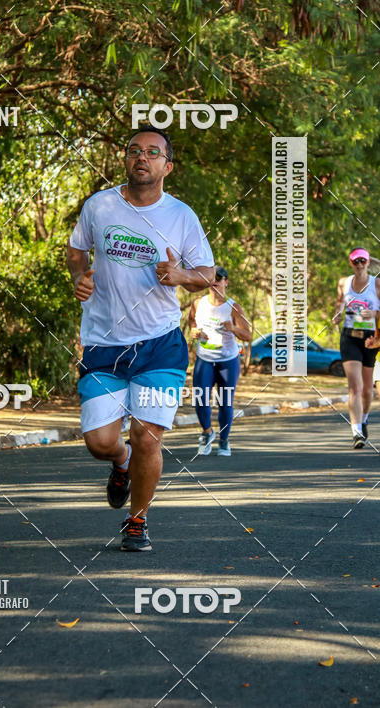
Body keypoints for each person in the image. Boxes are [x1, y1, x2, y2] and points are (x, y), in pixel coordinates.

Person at [66, 126, 215, 551]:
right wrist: (78, 277)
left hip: (158, 345)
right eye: (134, 150)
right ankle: (120, 461)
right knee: (100, 443)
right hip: (104, 343)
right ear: (126, 160)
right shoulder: (99, 206)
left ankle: (137, 521)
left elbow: (206, 273)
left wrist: (182, 275)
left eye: (152, 152)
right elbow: (76, 251)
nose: (142, 157)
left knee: (147, 437)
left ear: (168, 166)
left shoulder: (181, 216)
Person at [187, 267, 251, 457]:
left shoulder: (233, 307)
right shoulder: (197, 303)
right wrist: (194, 332)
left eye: (220, 278)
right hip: (205, 359)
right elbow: (192, 324)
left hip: (227, 361)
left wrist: (233, 329)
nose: (215, 281)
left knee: (225, 402)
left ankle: (224, 441)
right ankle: (207, 433)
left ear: (226, 282)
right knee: (200, 400)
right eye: (213, 278)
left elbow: (247, 335)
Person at [333, 247, 380, 447]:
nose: (359, 264)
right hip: (349, 337)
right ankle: (357, 432)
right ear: (351, 263)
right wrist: (337, 316)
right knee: (355, 387)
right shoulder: (343, 283)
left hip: (371, 339)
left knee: (367, 390)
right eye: (355, 261)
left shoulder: (377, 284)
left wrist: (374, 314)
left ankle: (364, 419)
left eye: (363, 261)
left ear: (368, 262)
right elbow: (339, 304)